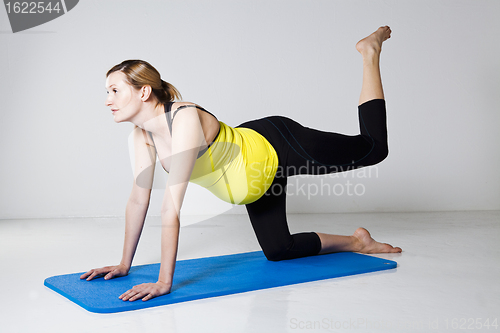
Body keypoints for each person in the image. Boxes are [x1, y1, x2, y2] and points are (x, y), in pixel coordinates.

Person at [80, 26, 402, 302]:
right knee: (279, 250)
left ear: (144, 92)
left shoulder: (183, 118)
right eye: (106, 91)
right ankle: (359, 241)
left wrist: (165, 282)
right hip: (255, 184)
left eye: (114, 90)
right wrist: (124, 264)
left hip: (276, 145)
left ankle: (369, 52)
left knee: (373, 149)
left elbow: (170, 209)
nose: (107, 99)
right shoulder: (141, 138)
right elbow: (139, 200)